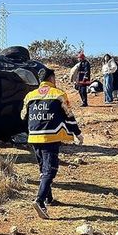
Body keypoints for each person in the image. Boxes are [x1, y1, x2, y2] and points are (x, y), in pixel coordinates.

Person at [21, 68, 83, 219]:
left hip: (34, 137)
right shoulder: (58, 94)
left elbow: (23, 116)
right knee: (51, 170)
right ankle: (40, 200)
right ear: (52, 79)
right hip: (51, 136)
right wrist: (77, 133)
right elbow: (69, 115)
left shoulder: (30, 96)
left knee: (43, 168)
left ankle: (49, 198)